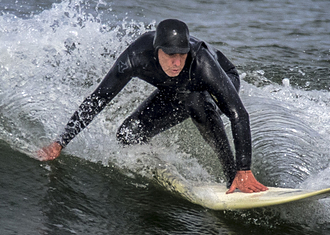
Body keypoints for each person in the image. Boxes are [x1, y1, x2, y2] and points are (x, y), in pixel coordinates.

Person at [36, 19, 268, 194]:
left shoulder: (200, 61)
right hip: (175, 90)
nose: (177, 62)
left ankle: (235, 178)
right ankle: (157, 159)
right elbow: (99, 99)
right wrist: (60, 143)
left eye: (182, 55)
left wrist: (244, 167)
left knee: (197, 102)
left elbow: (239, 114)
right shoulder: (135, 57)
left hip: (221, 78)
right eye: (170, 55)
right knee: (128, 134)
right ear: (157, 50)